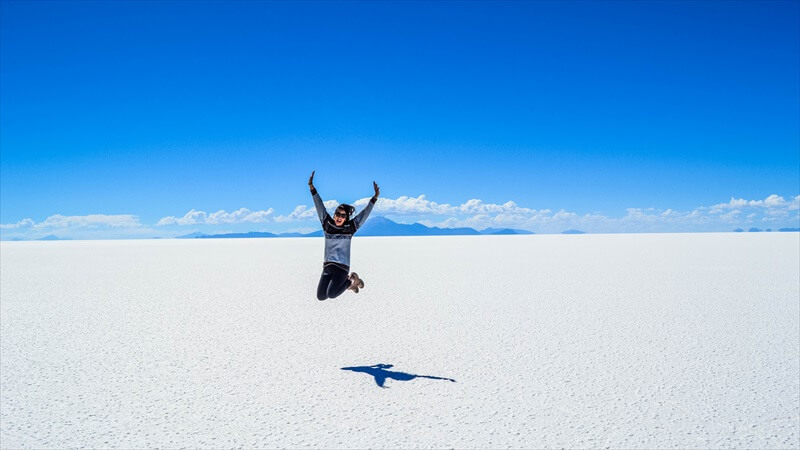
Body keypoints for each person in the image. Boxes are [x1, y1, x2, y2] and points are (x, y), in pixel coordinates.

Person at [309, 171, 379, 300]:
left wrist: (374, 199)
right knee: (321, 296)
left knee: (332, 294)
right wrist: (312, 189)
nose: (339, 217)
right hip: (327, 266)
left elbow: (364, 215)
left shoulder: (350, 228)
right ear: (334, 214)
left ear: (346, 218)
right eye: (338, 214)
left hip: (342, 268)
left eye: (343, 215)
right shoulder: (327, 224)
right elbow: (319, 206)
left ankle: (352, 281)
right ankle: (351, 284)